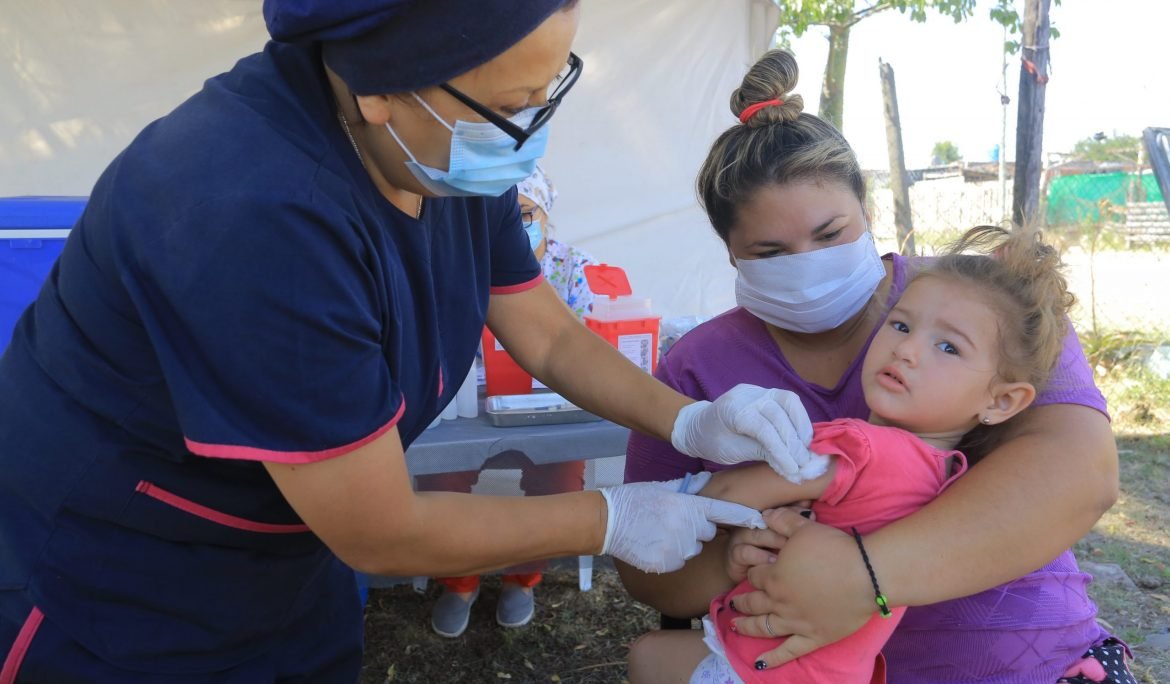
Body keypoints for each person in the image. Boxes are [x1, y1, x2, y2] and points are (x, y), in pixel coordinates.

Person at [0, 6, 821, 681]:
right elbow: (381, 530)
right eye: (513, 102)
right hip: (120, 581)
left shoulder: (444, 152)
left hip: (290, 557)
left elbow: (542, 328)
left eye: (550, 90)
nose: (530, 128)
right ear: (378, 93)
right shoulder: (249, 209)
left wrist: (688, 421)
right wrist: (607, 518)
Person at [617, 49, 1129, 683]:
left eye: (830, 234)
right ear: (732, 256)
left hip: (1028, 658)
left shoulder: (979, 306)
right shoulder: (695, 366)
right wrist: (730, 557)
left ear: (867, 214)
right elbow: (649, 570)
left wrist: (865, 577)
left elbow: (1081, 473)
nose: (807, 264)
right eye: (772, 251)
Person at [415, 165, 597, 637]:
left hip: (545, 409)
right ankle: (459, 581)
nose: (515, 226)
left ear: (545, 215)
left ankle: (524, 576)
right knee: (443, 476)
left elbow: (584, 344)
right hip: (468, 409)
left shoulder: (571, 268)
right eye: (505, 215)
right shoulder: (457, 263)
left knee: (559, 477)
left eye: (525, 214)